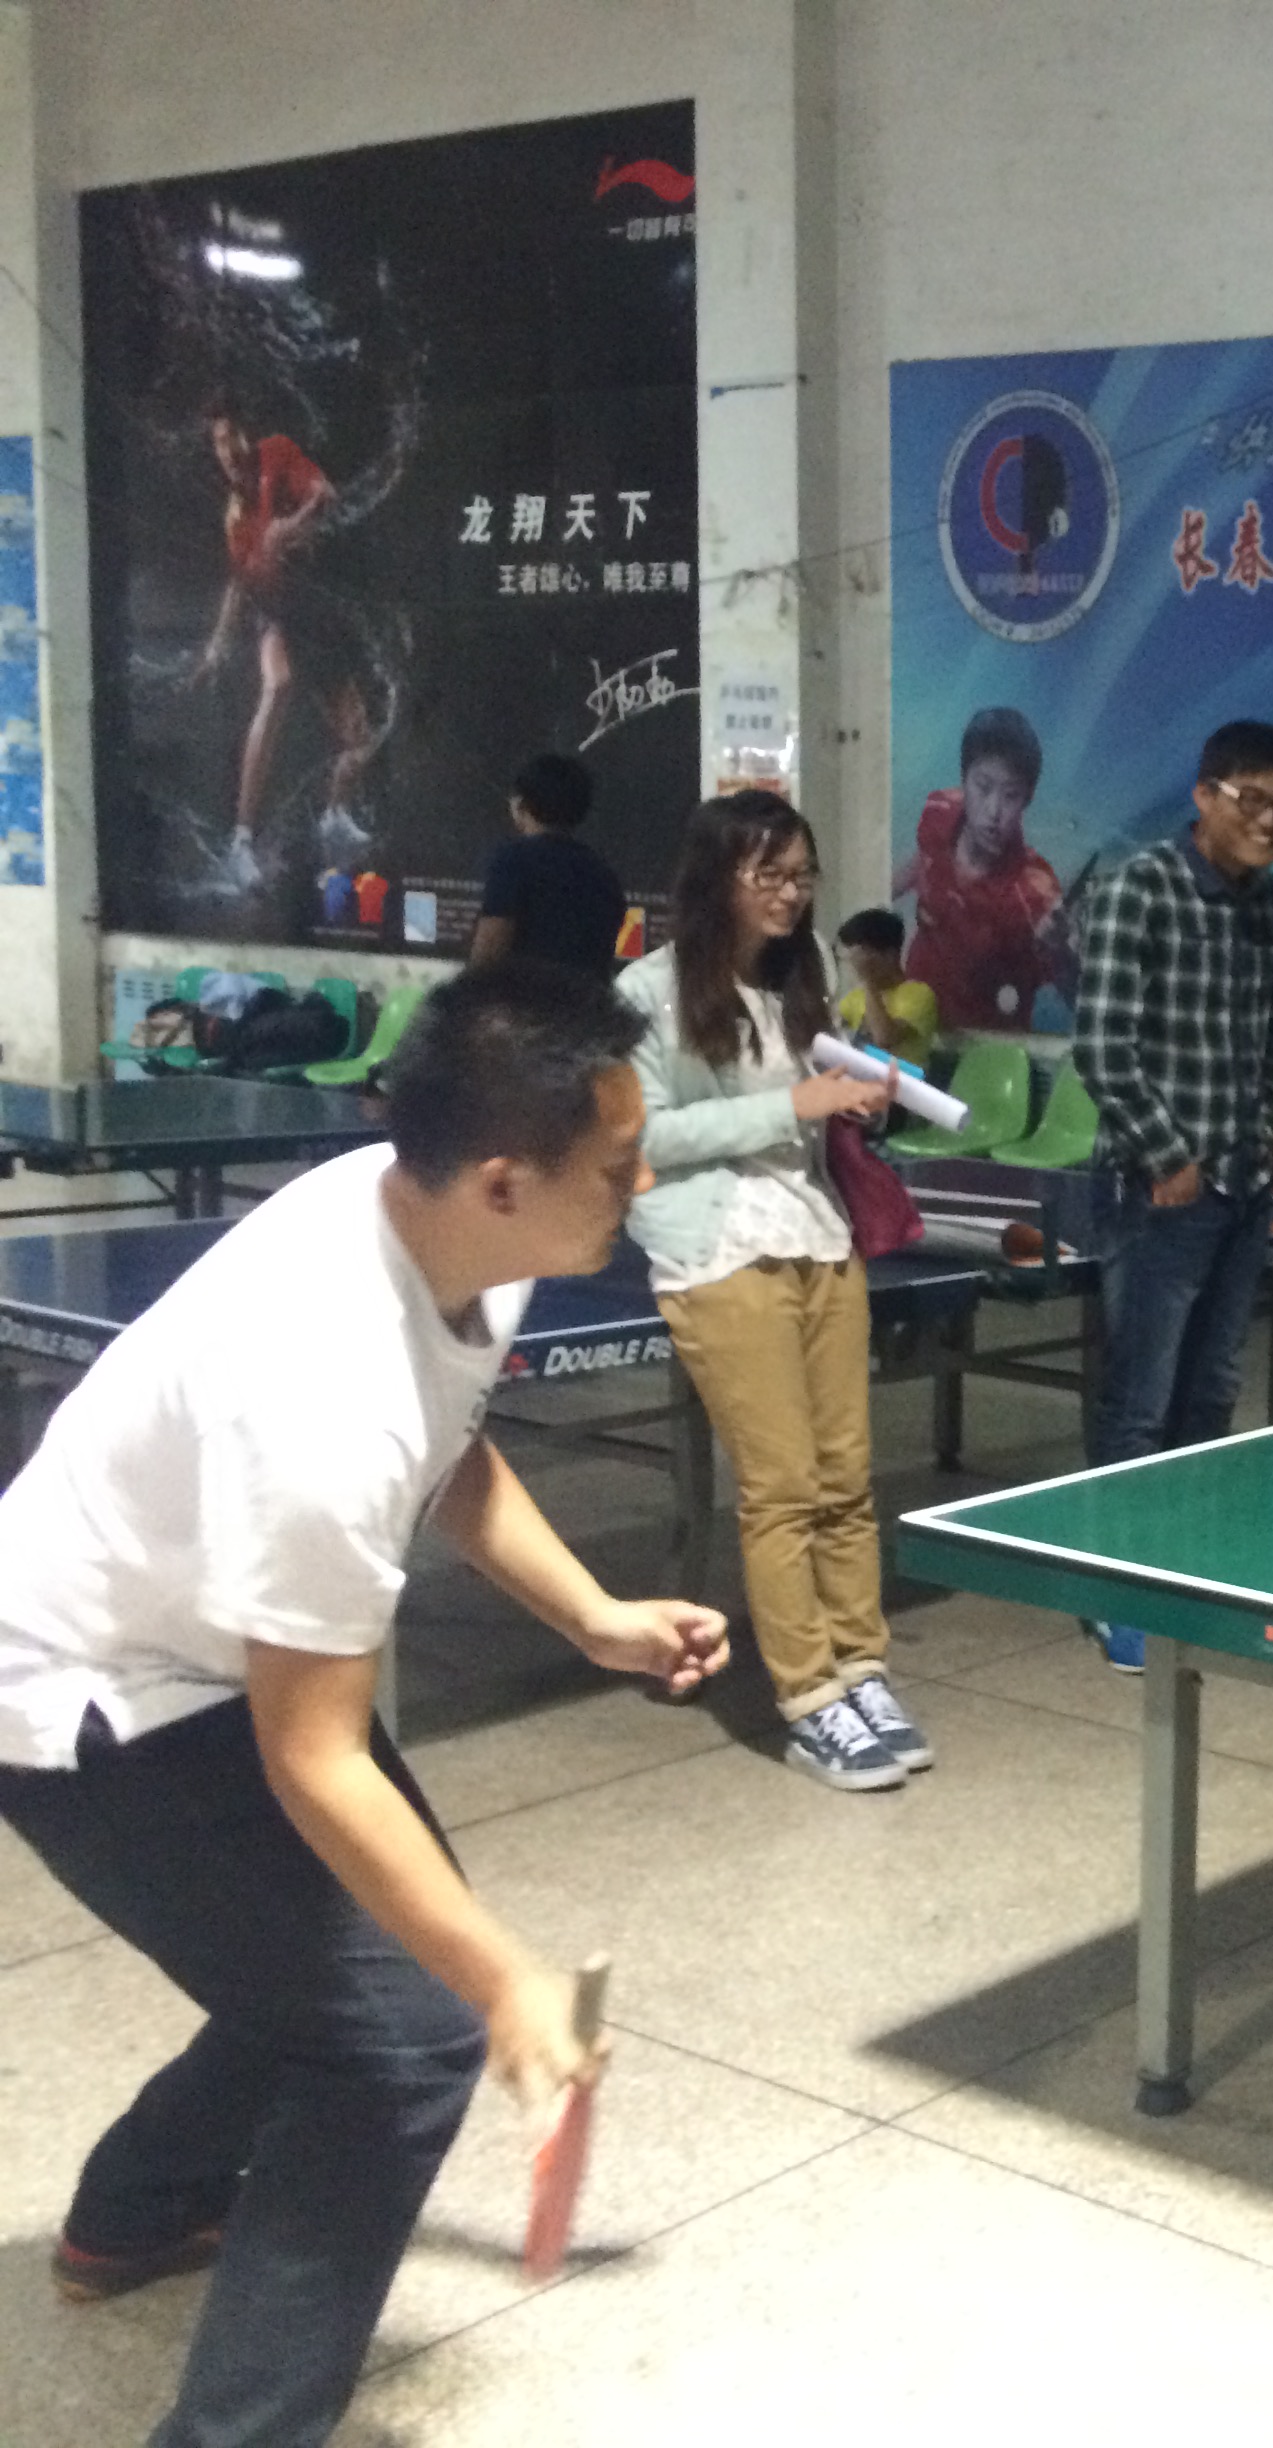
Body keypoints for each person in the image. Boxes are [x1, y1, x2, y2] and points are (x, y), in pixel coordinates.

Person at [0, 963, 728, 2448]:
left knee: (353, 1974)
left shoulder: (455, 1230)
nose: (642, 1183)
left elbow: (448, 1441)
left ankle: (136, 2212)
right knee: (402, 2036)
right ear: (507, 1179)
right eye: (619, 1164)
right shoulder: (322, 1386)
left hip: (200, 1640)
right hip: (80, 1696)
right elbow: (313, 1757)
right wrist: (506, 1985)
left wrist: (592, 1615)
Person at [619, 792, 916, 1790]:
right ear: (718, 879)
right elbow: (642, 1135)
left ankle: (863, 1669)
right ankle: (809, 1698)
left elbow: (824, 1105)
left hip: (820, 1238)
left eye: (801, 875)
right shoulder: (647, 991)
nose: (790, 895)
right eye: (769, 876)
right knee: (782, 1486)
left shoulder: (809, 970)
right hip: (716, 1252)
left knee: (847, 1478)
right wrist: (790, 1104)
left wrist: (863, 1100)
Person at [1072, 720, 1273, 1668]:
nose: (1270, 821)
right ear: (1205, 796)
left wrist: (1261, 1157)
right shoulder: (1141, 887)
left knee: (1210, 1399)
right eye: (1253, 800)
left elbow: (1262, 1044)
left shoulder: (1270, 903)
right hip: (1157, 1191)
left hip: (1241, 1188)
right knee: (1142, 1401)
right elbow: (1100, 1046)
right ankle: (1114, 1591)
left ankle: (1188, 1578)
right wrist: (1170, 1157)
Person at [195, 399, 383, 891]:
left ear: (248, 434)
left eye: (232, 437)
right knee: (278, 686)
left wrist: (290, 527)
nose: (227, 450)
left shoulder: (277, 454)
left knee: (361, 740)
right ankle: (241, 841)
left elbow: (326, 495)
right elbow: (239, 585)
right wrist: (217, 643)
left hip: (315, 612)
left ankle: (334, 814)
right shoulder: (235, 515)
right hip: (274, 615)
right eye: (218, 443)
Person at [893, 705, 1068, 1032]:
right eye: (983, 787)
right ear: (964, 781)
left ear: (1026, 800)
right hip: (914, 1028)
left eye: (1010, 795)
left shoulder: (1034, 892)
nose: (993, 811)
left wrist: (1059, 951)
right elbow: (922, 861)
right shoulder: (939, 810)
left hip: (987, 1044)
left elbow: (1073, 992)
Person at [468, 750, 627, 979]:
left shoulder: (513, 861)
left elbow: (489, 952)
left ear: (521, 805)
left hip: (525, 997)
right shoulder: (603, 874)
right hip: (585, 998)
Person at [833, 907, 941, 1075]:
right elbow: (825, 1026)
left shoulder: (919, 994)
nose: (855, 966)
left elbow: (884, 1038)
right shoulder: (855, 997)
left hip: (903, 1084)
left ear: (889, 955)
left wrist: (868, 979)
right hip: (861, 1082)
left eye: (862, 955)